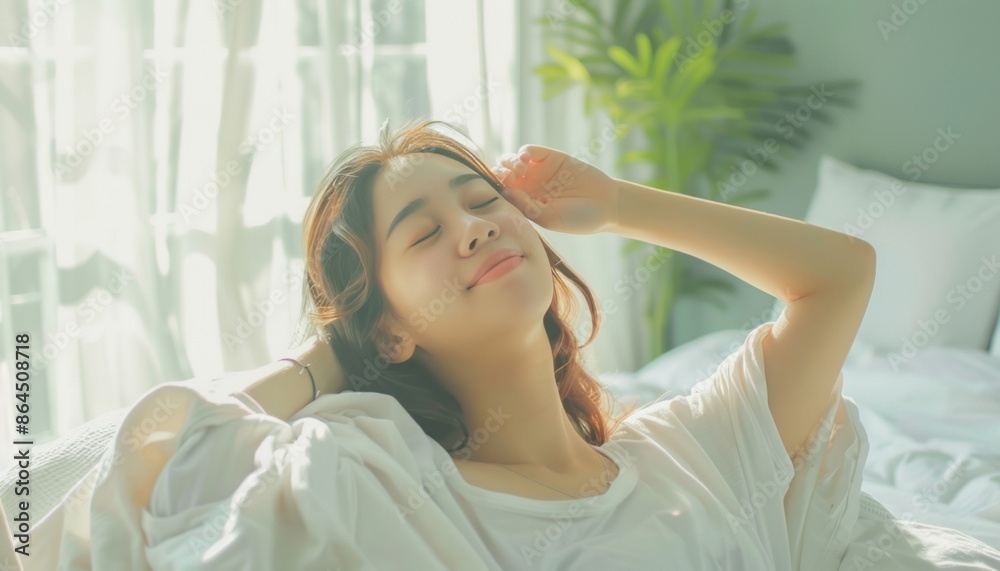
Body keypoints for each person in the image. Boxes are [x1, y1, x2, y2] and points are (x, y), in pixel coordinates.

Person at [222, 117, 880, 568]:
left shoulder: (691, 449)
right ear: (390, 329)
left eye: (482, 199)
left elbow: (841, 276)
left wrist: (617, 203)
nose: (474, 228)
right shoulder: (412, 493)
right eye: (424, 234)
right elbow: (181, 452)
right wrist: (336, 353)